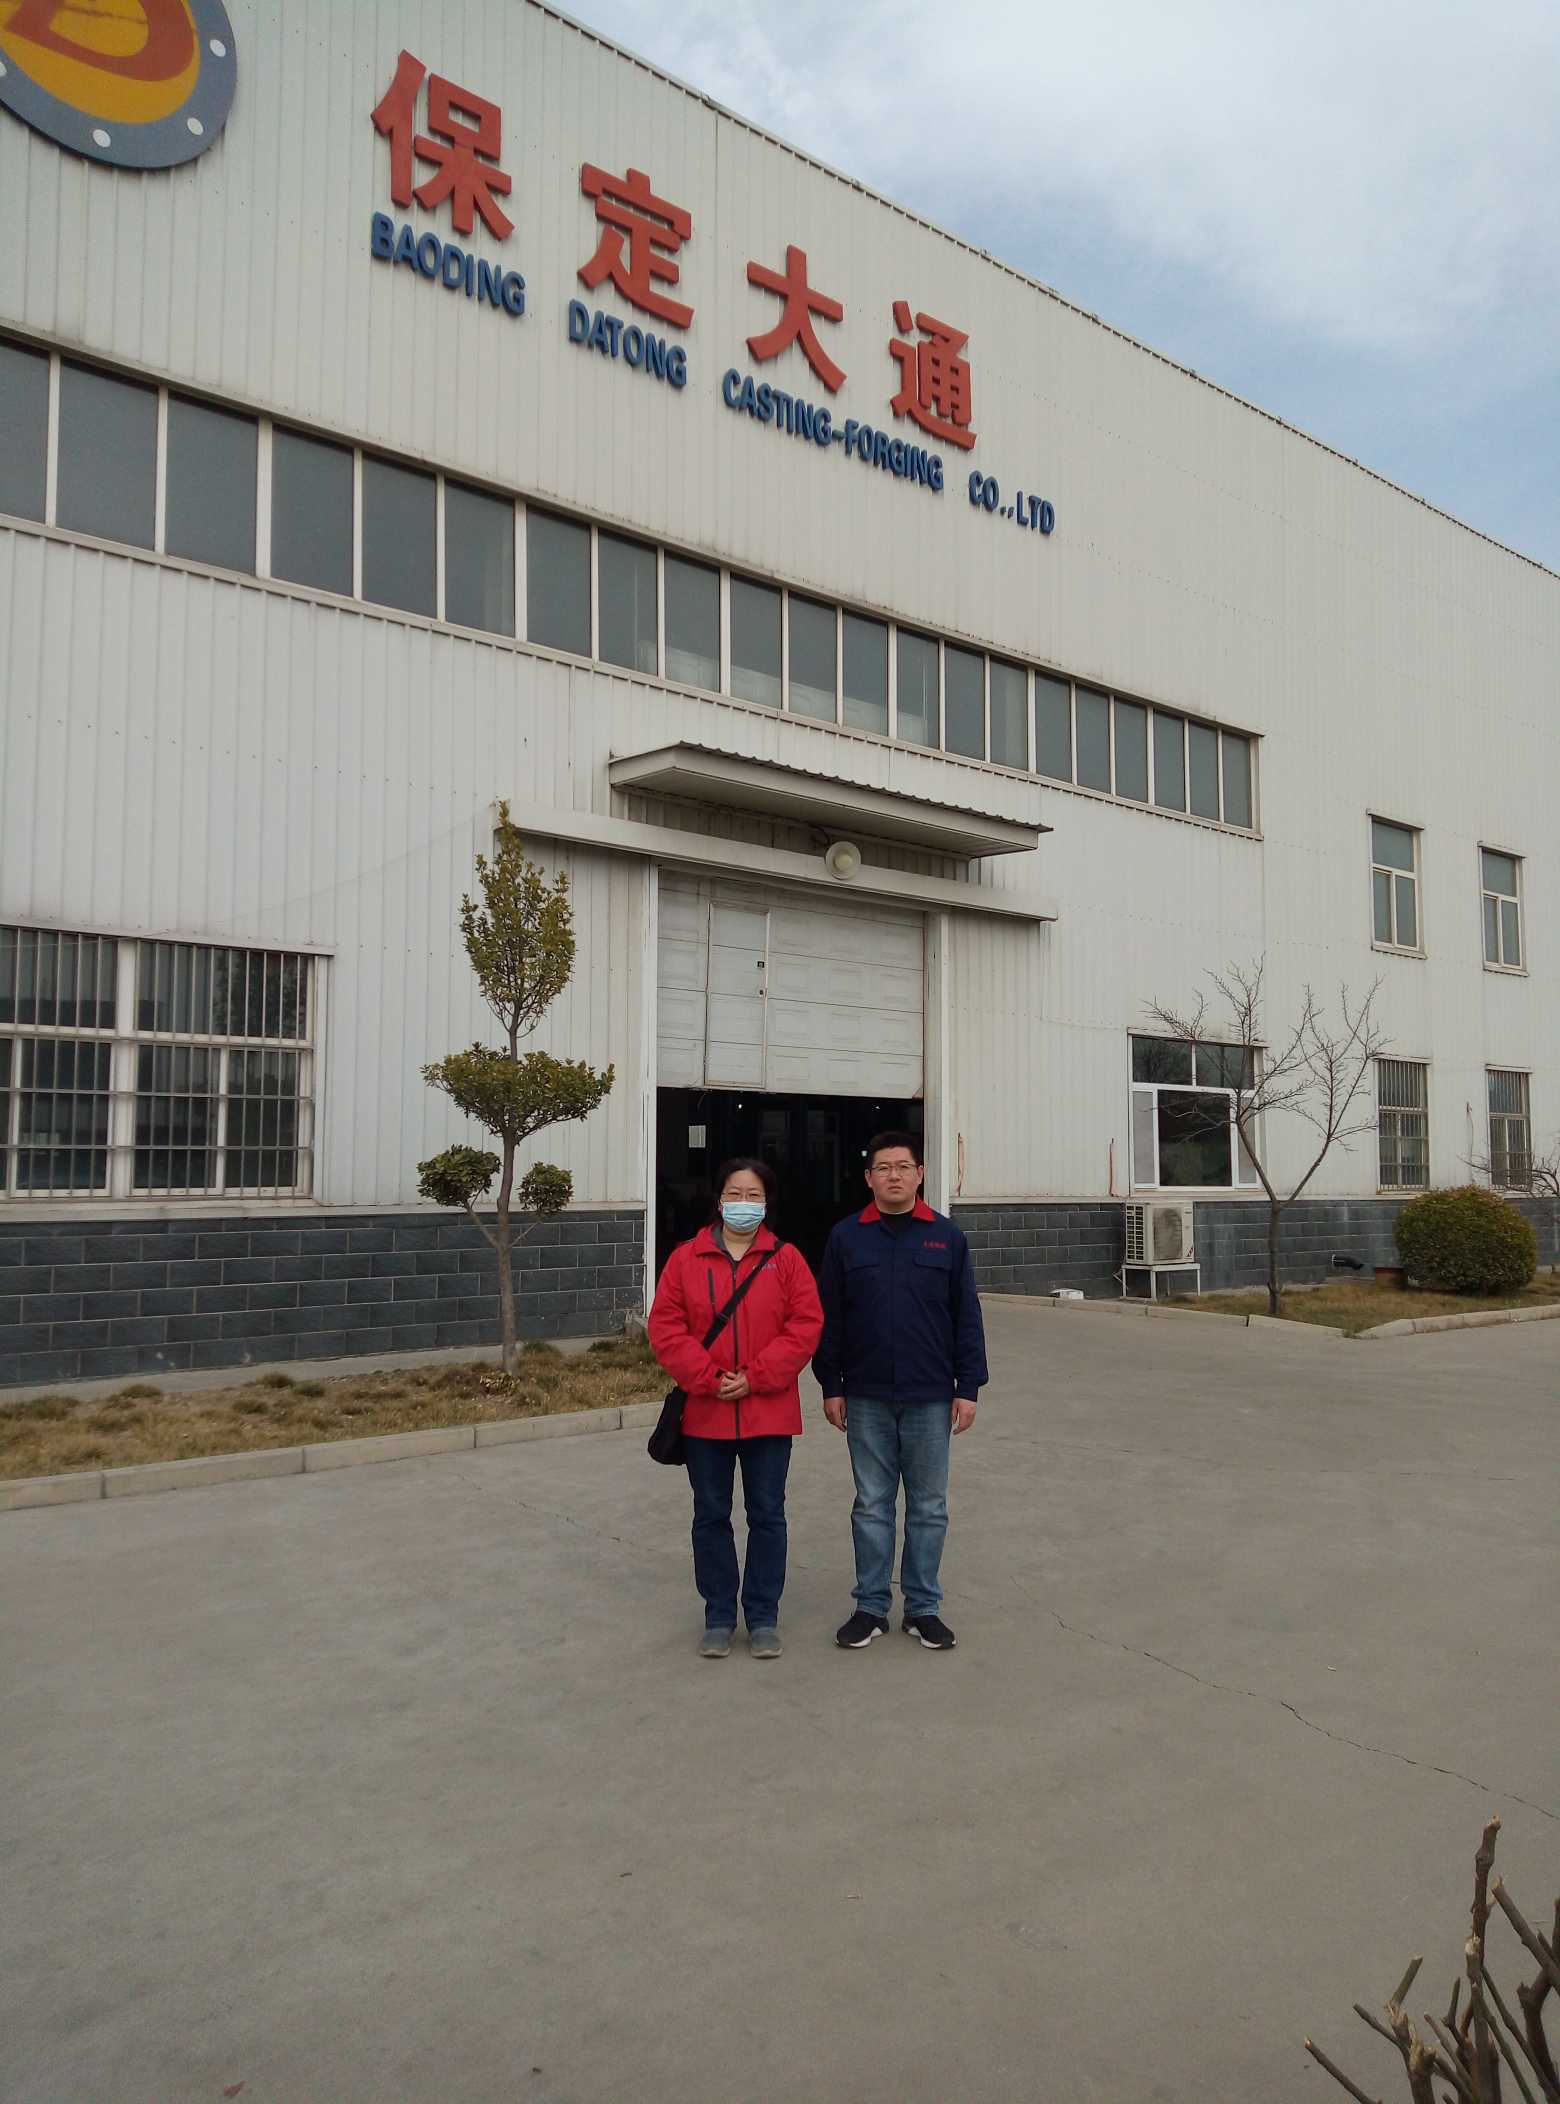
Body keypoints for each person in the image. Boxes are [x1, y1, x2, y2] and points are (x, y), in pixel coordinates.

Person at [814, 1130, 987, 1651]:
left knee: (929, 1507)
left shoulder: (947, 1237)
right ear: (869, 1178)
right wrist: (831, 1383)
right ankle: (870, 1607)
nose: (894, 1175)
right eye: (883, 1168)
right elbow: (829, 1317)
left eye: (903, 1166)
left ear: (920, 1174)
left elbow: (966, 1316)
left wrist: (968, 1387)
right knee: (872, 1504)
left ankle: (923, 1608)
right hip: (865, 1394)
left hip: (930, 1396)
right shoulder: (846, 1237)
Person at [648, 1158, 823, 1661]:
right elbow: (666, 1327)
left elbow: (805, 1325)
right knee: (711, 1515)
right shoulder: (686, 1259)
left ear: (767, 1203)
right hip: (705, 1415)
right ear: (718, 1199)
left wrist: (756, 1377)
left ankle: (763, 1615)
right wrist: (707, 1378)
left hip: (769, 1412)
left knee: (768, 1515)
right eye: (734, 1194)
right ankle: (719, 1615)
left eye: (753, 1196)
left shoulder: (786, 1260)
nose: (743, 1204)